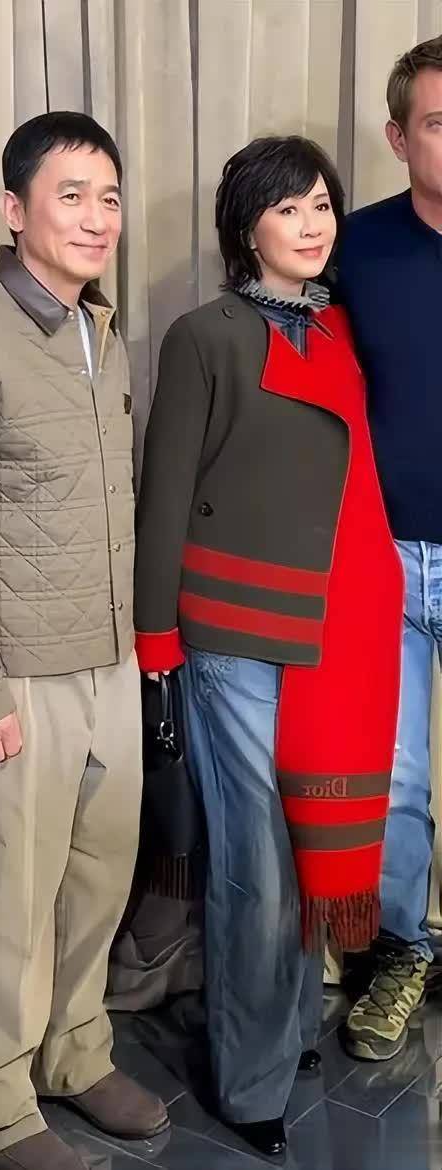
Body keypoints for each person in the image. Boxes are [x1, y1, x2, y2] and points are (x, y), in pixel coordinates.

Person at [0, 111, 168, 1170]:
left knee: (95, 880)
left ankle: (73, 1054)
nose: (97, 218)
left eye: (109, 197)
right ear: (14, 210)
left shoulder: (103, 330)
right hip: (14, 674)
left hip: (106, 659)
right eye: (71, 196)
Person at [133, 136, 403, 1158]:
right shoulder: (203, 336)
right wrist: (156, 640)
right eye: (288, 207)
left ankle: (286, 1033)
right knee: (254, 863)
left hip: (333, 629)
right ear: (246, 225)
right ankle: (248, 1080)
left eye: (322, 204)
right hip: (233, 633)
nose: (311, 223)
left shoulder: (339, 329)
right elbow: (165, 494)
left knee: (306, 844)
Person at [337, 35, 442, 1062]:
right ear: (399, 137)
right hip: (384, 560)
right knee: (398, 783)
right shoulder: (353, 250)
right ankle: (403, 952)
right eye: (440, 122)